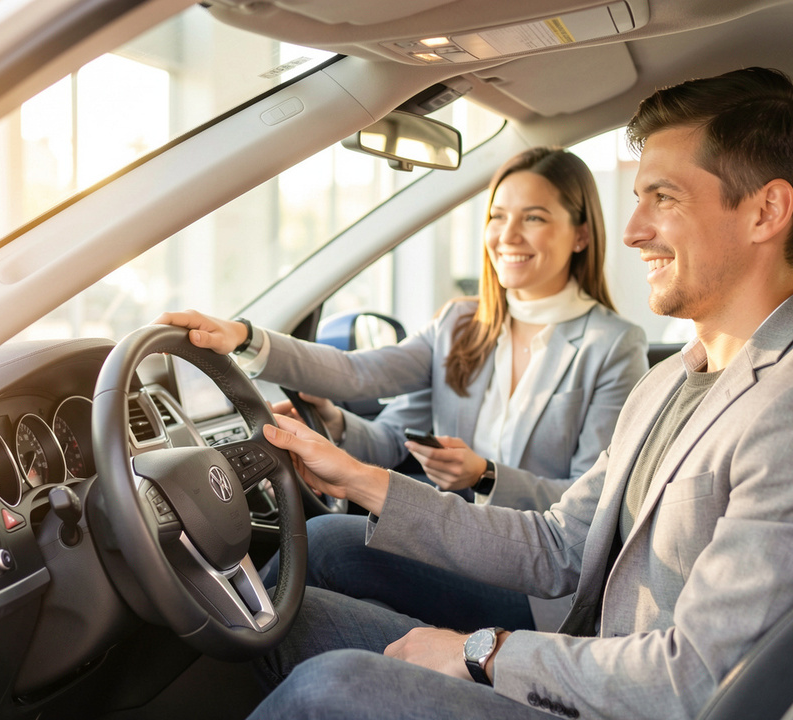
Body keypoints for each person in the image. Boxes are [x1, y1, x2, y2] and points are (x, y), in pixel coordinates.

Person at [166, 66, 793, 720]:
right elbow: (561, 545)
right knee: (290, 615)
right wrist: (360, 478)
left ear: (764, 212)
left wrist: (483, 651)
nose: (634, 228)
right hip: (595, 663)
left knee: (325, 702)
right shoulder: (681, 373)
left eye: (664, 197)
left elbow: (696, 683)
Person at [157, 147, 648, 632]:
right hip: (455, 541)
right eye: (497, 216)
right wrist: (256, 347)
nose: (508, 235)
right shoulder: (460, 324)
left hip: (536, 583)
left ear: (581, 234)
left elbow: (595, 509)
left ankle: (224, 645)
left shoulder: (613, 345)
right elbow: (364, 385)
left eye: (534, 218)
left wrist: (487, 476)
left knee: (327, 543)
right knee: (316, 585)